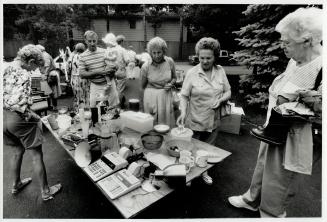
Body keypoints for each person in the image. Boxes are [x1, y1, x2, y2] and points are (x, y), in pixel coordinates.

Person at [228, 7, 322, 217]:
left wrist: (310, 104)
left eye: (287, 42)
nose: (282, 47)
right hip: (275, 129)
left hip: (296, 137)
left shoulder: (322, 67)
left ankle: (272, 214)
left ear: (307, 41)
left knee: (281, 180)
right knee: (264, 167)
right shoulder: (296, 60)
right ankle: (252, 200)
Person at [3, 44, 62, 201]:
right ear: (29, 61)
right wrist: (36, 117)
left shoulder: (5, 67)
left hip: (3, 117)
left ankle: (15, 184)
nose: (33, 70)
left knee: (17, 151)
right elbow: (19, 105)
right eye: (34, 66)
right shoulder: (24, 74)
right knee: (36, 155)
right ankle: (46, 192)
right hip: (18, 119)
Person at [176, 37, 231, 185]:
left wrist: (221, 100)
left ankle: (203, 171)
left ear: (215, 57)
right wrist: (182, 112)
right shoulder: (192, 72)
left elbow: (228, 91)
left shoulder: (220, 71)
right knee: (191, 148)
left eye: (209, 58)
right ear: (197, 56)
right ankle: (189, 173)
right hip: (194, 118)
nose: (205, 61)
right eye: (202, 58)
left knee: (208, 149)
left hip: (213, 119)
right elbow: (184, 95)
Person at [141, 37, 177, 127]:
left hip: (165, 94)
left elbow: (174, 78)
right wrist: (143, 102)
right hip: (150, 95)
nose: (156, 55)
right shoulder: (146, 66)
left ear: (164, 51)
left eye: (159, 52)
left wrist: (171, 84)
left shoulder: (170, 62)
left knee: (166, 121)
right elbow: (142, 86)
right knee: (151, 122)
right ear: (150, 52)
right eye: (154, 53)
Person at [79, 30, 119, 109]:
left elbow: (114, 65)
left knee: (112, 108)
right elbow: (82, 74)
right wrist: (100, 72)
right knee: (95, 109)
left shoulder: (104, 51)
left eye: (94, 41)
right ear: (85, 41)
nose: (92, 43)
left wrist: (114, 68)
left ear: (97, 40)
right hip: (96, 86)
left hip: (110, 85)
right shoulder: (83, 56)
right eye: (90, 41)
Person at [36, 44, 62, 111]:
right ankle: (49, 106)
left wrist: (45, 75)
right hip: (48, 75)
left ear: (39, 50)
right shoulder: (43, 55)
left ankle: (54, 107)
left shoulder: (45, 55)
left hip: (51, 75)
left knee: (52, 92)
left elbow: (47, 67)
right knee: (47, 92)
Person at [69, 43, 87, 112]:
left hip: (74, 79)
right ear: (84, 49)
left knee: (76, 96)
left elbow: (68, 68)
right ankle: (85, 111)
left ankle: (77, 111)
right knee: (84, 95)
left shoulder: (72, 56)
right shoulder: (85, 56)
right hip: (83, 78)